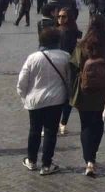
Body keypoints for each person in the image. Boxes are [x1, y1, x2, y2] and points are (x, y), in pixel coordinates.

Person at [70, 14, 105, 176]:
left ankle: (89, 160)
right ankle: (92, 157)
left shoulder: (81, 46)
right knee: (98, 125)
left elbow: (72, 68)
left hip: (84, 93)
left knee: (85, 126)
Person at [17, 26, 70, 175]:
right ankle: (47, 164)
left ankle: (31, 160)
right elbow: (69, 79)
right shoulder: (65, 56)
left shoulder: (33, 57)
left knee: (34, 130)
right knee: (50, 132)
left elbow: (22, 81)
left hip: (34, 101)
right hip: (56, 100)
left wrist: (24, 97)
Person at [56, 7, 83, 135]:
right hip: (66, 65)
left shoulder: (65, 32)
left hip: (65, 65)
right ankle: (62, 123)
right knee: (67, 96)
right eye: (59, 16)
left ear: (69, 18)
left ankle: (61, 123)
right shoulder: (72, 30)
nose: (60, 19)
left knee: (64, 96)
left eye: (63, 17)